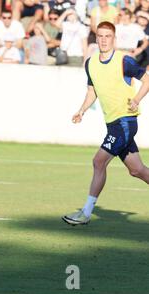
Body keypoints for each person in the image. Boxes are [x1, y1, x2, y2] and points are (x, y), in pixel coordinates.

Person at [63, 21, 149, 225]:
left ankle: (85, 212)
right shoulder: (90, 63)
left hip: (125, 121)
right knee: (137, 170)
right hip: (113, 124)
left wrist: (136, 99)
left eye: (107, 36)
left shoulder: (124, 61)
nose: (103, 40)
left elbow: (147, 80)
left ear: (114, 39)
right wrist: (82, 110)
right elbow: (92, 91)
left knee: (98, 161)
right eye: (100, 36)